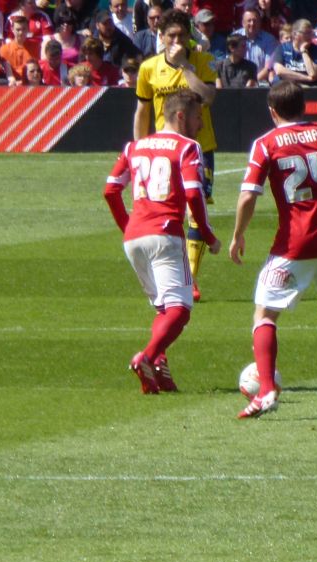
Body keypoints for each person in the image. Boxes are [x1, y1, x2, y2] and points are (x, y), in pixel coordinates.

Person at [229, 79, 317, 419]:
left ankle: (266, 392)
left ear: (273, 111)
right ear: (303, 105)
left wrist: (238, 235)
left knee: (265, 314)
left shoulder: (267, 143)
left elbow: (249, 194)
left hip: (293, 245)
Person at [105, 89, 221, 395]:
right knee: (180, 310)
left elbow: (110, 190)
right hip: (165, 233)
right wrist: (208, 235)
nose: (200, 125)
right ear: (180, 116)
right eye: (197, 118)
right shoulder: (187, 147)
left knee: (164, 310)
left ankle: (160, 374)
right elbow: (194, 194)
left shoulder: (134, 146)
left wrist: (126, 226)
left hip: (134, 238)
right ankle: (146, 356)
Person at [135, 9, 218, 302]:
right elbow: (143, 110)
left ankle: (191, 277)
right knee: (168, 211)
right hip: (163, 151)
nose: (177, 40)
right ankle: (168, 271)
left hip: (198, 147)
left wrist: (184, 66)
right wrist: (138, 149)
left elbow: (208, 97)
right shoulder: (149, 69)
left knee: (197, 210)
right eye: (171, 35)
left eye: (182, 35)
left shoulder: (202, 62)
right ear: (161, 36)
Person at [233, 8, 277, 81]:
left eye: (255, 20)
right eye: (249, 21)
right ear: (243, 23)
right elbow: (231, 64)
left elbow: (268, 67)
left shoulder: (269, 40)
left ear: (260, 22)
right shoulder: (234, 37)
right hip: (238, 83)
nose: (252, 24)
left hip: (261, 82)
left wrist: (253, 81)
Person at [273, 17, 317, 82]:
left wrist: (303, 51)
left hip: (308, 89)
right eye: (306, 33)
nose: (310, 36)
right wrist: (306, 78)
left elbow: (313, 74)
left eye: (311, 33)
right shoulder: (282, 48)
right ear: (294, 34)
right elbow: (279, 71)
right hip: (285, 86)